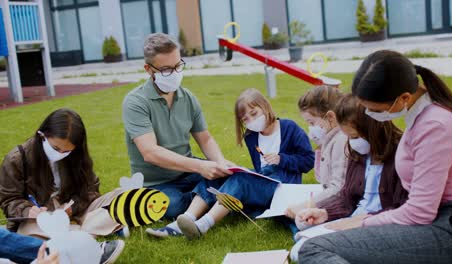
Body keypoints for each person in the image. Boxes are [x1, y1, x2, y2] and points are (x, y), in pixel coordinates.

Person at [298, 50, 452, 264]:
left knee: (313, 249)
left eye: (373, 109)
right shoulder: (424, 117)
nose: (369, 115)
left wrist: (361, 223)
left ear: (404, 98)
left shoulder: (435, 125)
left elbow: (420, 212)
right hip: (441, 220)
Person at [122, 33, 234, 237]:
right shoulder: (135, 102)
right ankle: (205, 200)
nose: (175, 73)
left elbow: (205, 138)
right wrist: (201, 166)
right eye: (166, 69)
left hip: (187, 173)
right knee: (172, 205)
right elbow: (150, 153)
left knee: (228, 176)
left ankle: (197, 205)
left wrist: (219, 162)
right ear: (149, 70)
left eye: (178, 65)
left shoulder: (188, 98)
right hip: (154, 183)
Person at [165, 88, 314, 240]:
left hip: (283, 185)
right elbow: (259, 170)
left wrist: (281, 159)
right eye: (245, 119)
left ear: (265, 106)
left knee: (241, 181)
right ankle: (187, 218)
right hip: (264, 181)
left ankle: (203, 224)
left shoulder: (290, 128)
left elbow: (309, 161)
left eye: (254, 113)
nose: (251, 121)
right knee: (216, 173)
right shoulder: (251, 136)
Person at [289, 94, 408, 261]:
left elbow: (404, 209)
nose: (351, 143)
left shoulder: (400, 155)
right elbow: (347, 196)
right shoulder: (359, 152)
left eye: (354, 137)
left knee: (308, 250)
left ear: (373, 128)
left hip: (378, 225)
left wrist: (362, 221)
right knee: (300, 243)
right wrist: (325, 213)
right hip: (354, 220)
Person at [0, 109, 125, 264]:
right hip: (41, 220)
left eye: (67, 151)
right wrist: (28, 209)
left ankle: (78, 232)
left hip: (73, 210)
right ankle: (90, 233)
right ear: (42, 135)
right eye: (56, 149)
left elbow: (91, 189)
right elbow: (8, 199)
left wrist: (72, 209)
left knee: (123, 196)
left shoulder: (77, 156)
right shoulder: (17, 158)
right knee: (28, 233)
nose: (60, 154)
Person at [286, 86, 348, 218]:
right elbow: (321, 178)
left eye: (312, 122)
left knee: (302, 219)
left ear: (330, 117)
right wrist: (320, 146)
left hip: (341, 203)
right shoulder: (330, 139)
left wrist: (307, 205)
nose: (310, 128)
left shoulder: (341, 141)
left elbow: (338, 188)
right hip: (332, 197)